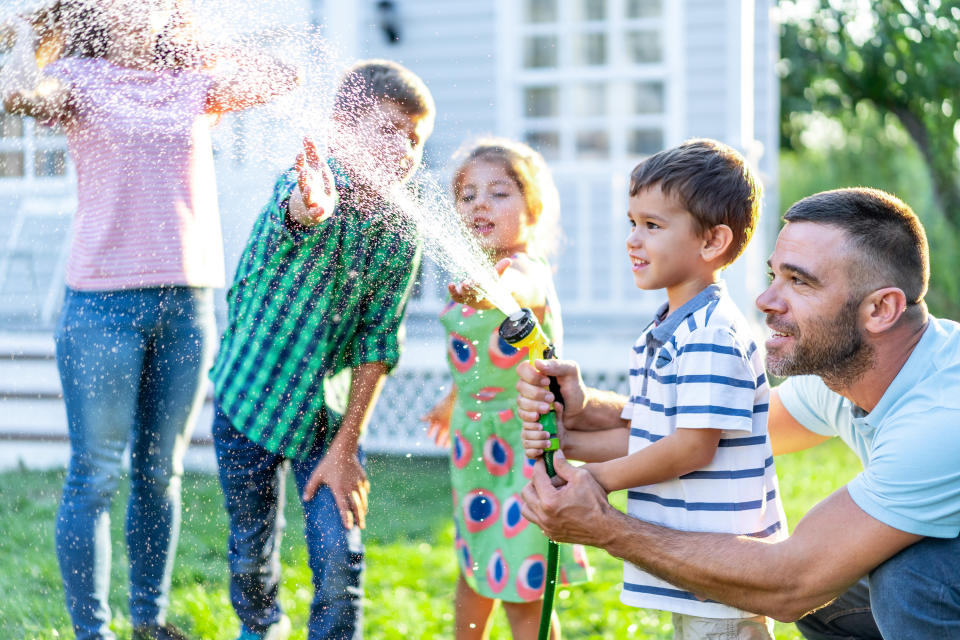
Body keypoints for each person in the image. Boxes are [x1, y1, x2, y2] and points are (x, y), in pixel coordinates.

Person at [517, 187, 960, 639]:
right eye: (775, 275)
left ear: (881, 309)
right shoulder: (845, 373)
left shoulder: (942, 421)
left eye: (800, 281)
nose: (766, 300)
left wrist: (605, 527)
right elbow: (718, 431)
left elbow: (791, 584)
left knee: (907, 578)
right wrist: (583, 416)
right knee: (827, 575)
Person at [1, 2, 300, 639]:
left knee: (159, 474)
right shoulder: (79, 77)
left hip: (187, 304)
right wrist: (26, 37)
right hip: (102, 305)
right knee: (96, 474)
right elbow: (19, 94)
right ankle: (93, 632)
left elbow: (281, 77)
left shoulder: (195, 82)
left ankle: (149, 624)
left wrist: (207, 41)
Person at [520, 139, 785, 640]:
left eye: (653, 226)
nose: (632, 240)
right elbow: (652, 438)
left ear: (712, 243)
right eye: (632, 222)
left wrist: (594, 480)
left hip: (722, 575)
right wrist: (566, 443)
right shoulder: (667, 330)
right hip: (694, 571)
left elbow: (691, 448)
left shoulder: (711, 333)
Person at [209, 59, 435, 640]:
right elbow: (297, 210)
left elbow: (379, 340)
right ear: (343, 127)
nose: (404, 151)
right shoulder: (308, 180)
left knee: (340, 554)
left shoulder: (400, 230)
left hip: (322, 417)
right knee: (249, 551)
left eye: (414, 139)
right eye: (388, 130)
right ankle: (261, 628)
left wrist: (347, 446)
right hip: (248, 395)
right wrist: (306, 208)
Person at [420, 139, 590, 639]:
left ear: (530, 209)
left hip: (523, 445)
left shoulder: (521, 271)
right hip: (475, 443)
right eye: (468, 195)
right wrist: (453, 401)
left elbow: (520, 288)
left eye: (498, 193)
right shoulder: (471, 275)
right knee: (475, 568)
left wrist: (497, 287)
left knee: (523, 583)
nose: (479, 204)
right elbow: (478, 357)